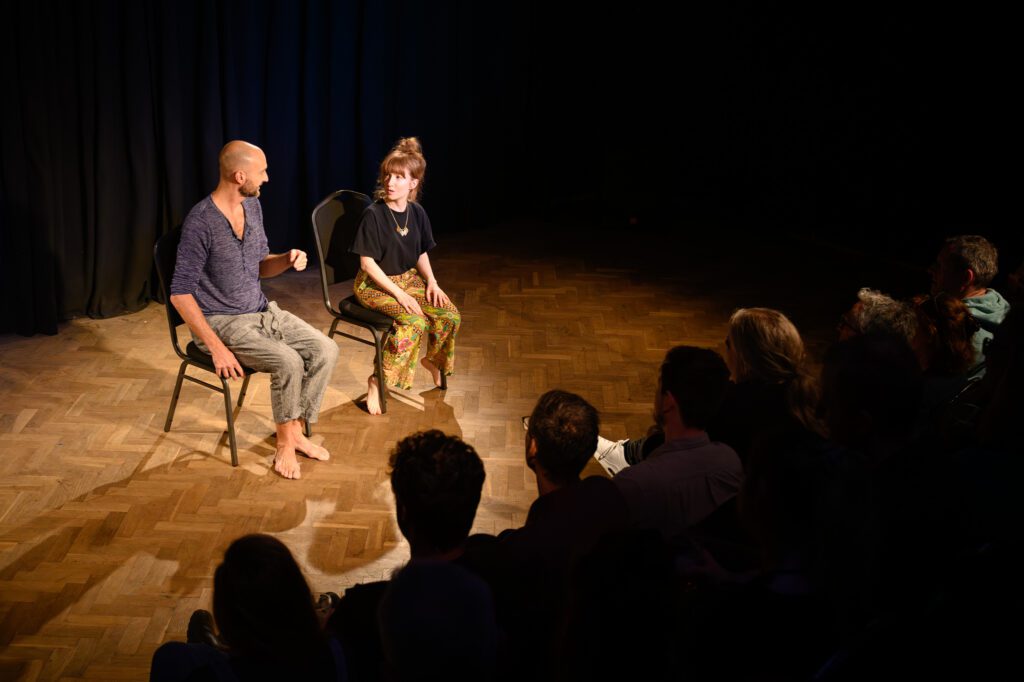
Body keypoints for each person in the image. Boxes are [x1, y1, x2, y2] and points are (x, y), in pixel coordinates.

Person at [169, 141, 338, 480]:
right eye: (262, 172)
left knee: (326, 349)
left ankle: (295, 431)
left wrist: (286, 260)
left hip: (261, 311)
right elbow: (180, 294)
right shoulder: (201, 222)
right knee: (288, 362)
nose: (267, 178)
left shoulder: (252, 207)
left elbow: (261, 266)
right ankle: (285, 443)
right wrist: (216, 348)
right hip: (221, 323)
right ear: (239, 175)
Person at [349, 137, 461, 415]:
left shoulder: (417, 213)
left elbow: (421, 251)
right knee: (414, 322)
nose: (390, 182)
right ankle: (378, 381)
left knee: (449, 315)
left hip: (407, 279)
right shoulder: (373, 214)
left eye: (399, 177)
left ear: (413, 183)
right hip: (374, 284)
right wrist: (398, 294)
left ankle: (433, 361)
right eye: (388, 175)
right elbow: (367, 264)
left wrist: (432, 282)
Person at [150, 534, 346, 681]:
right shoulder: (344, 650)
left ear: (226, 616)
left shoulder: (187, 668)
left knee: (173, 657)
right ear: (300, 592)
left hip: (226, 665)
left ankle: (214, 645)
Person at [930, 234, 1011, 368]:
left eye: (940, 266)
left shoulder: (957, 332)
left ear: (966, 277)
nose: (930, 270)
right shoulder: (1003, 312)